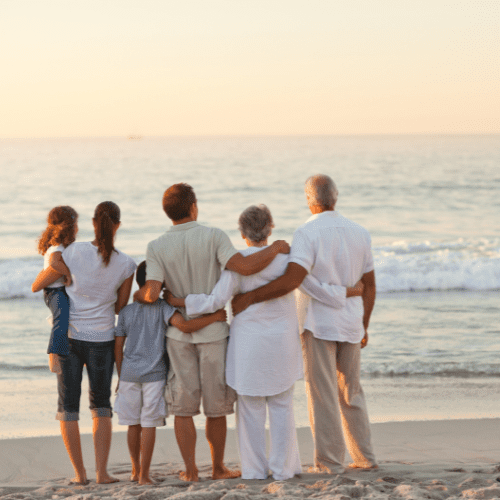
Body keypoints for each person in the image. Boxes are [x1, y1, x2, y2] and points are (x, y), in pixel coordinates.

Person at [167, 204, 363, 480]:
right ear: (270, 229)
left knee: (250, 410)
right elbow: (316, 290)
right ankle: (284, 470)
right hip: (282, 342)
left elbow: (214, 301)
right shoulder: (287, 260)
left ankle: (255, 471)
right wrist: (350, 292)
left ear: (242, 232)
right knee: (283, 407)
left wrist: (179, 301)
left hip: (248, 344)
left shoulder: (236, 264)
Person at [134, 183, 290, 482]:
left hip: (179, 336)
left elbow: (152, 292)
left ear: (167, 212)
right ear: (193, 207)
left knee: (183, 406)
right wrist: (277, 248)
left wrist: (141, 297)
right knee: (215, 406)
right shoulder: (214, 235)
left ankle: (191, 470)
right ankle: (218, 467)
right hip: (215, 332)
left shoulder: (155, 246)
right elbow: (243, 267)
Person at [232, 175, 377, 474]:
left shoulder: (306, 233)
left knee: (322, 393)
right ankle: (364, 457)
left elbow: (293, 279)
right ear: (335, 197)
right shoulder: (360, 232)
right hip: (351, 322)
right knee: (352, 392)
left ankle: (330, 462)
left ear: (309, 200)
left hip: (319, 322)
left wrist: (251, 298)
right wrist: (365, 323)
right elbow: (370, 284)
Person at [33, 201, 137, 484]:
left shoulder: (73, 250)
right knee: (101, 406)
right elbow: (119, 307)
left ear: (92, 223)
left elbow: (49, 277)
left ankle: (80, 476)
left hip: (69, 337)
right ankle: (102, 473)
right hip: (102, 338)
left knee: (68, 407)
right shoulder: (127, 263)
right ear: (117, 225)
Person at [114, 261, 228, 485]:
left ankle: (135, 471)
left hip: (128, 375)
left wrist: (120, 374)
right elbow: (184, 326)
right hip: (154, 375)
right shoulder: (164, 308)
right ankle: (145, 476)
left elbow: (118, 346)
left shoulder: (126, 311)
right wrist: (214, 318)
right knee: (148, 423)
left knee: (133, 424)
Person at [32, 206, 78, 374]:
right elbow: (54, 264)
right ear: (69, 226)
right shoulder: (57, 248)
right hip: (54, 291)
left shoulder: (62, 246)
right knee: (62, 316)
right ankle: (53, 355)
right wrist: (68, 275)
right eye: (76, 223)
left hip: (60, 290)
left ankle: (76, 353)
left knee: (70, 318)